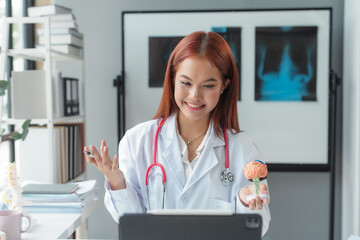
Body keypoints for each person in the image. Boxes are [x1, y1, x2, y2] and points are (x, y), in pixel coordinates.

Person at [84, 31, 271, 235]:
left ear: (225, 84)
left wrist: (246, 203)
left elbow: (257, 228)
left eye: (208, 85)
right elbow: (132, 225)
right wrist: (117, 184)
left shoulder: (242, 149)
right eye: (186, 83)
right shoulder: (136, 141)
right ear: (172, 78)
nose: (194, 96)